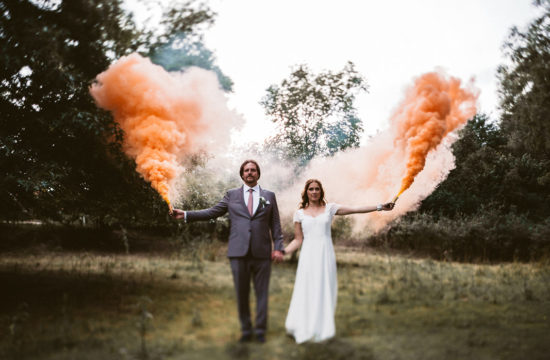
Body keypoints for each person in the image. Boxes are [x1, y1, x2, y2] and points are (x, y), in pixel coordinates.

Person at [170, 160, 285, 344]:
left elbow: (276, 225)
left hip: (262, 252)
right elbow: (212, 212)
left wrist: (278, 248)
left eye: (253, 170)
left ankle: (261, 331)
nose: (250, 173)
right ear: (242, 174)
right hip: (238, 252)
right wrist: (186, 214)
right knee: (242, 293)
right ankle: (246, 331)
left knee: (262, 293)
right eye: (246, 170)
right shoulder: (231, 195)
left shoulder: (269, 195)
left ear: (258, 174)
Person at [283, 179, 394, 344]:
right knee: (306, 288)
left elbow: (356, 209)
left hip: (324, 254)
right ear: (306, 192)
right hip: (307, 257)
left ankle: (321, 328)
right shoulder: (299, 214)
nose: (314, 192)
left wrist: (380, 207)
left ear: (321, 192)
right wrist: (282, 252)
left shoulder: (330, 209)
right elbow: (298, 240)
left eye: (317, 189)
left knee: (324, 288)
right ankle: (301, 325)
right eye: (311, 189)